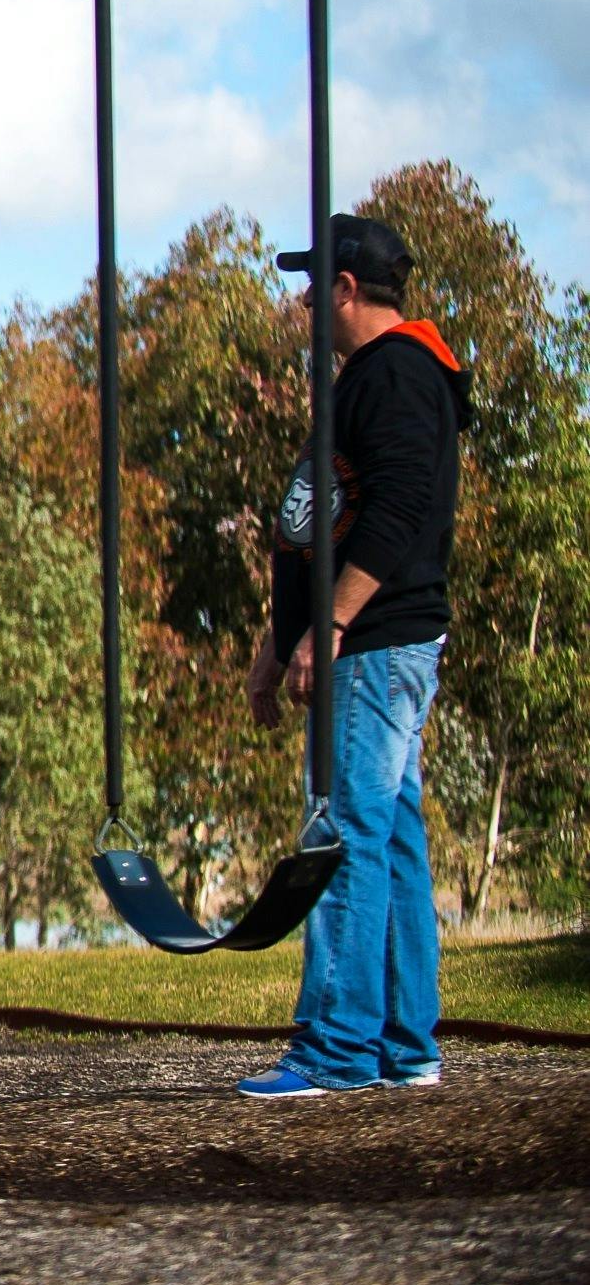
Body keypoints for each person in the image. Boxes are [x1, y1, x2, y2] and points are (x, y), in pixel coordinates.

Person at [237, 214, 472, 1100]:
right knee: (390, 832)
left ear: (344, 288)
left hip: (374, 643)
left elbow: (399, 508)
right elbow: (321, 528)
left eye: (311, 284)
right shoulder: (370, 379)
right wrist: (277, 638)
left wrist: (330, 627)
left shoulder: (399, 374)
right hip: (362, 638)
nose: (301, 300)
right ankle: (404, 1042)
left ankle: (335, 1046)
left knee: (340, 830)